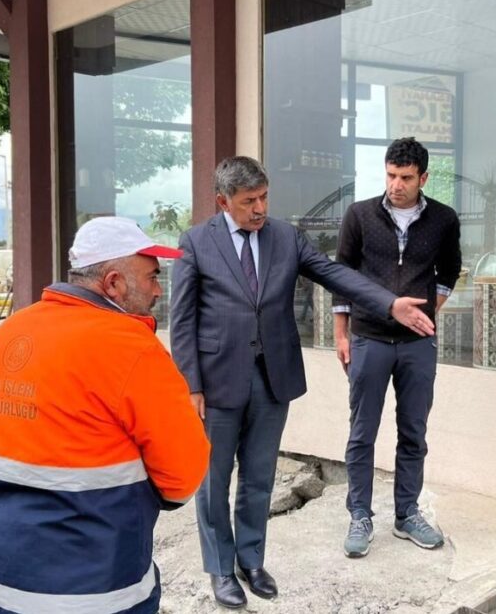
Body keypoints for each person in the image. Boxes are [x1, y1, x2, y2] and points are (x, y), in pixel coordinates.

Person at [170, 156, 435, 609]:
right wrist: (190, 385)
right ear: (222, 202)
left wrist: (389, 304)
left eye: (264, 198)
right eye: (248, 201)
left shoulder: (285, 237)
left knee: (259, 477)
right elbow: (182, 321)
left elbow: (337, 274)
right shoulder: (196, 243)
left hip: (272, 378)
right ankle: (219, 569)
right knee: (213, 482)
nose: (259, 209)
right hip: (215, 383)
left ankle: (251, 560)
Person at [0, 217, 210, 614]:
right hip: (94, 591)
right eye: (151, 277)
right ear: (113, 282)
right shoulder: (130, 348)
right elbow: (183, 476)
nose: (157, 290)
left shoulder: (12, 331)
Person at [334, 137, 461, 559]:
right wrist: (341, 333)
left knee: (414, 432)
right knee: (362, 432)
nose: (396, 185)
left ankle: (407, 514)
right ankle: (359, 515)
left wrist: (430, 310)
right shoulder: (359, 215)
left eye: (406, 177)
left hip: (417, 346)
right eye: (391, 175)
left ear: (423, 178)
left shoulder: (444, 219)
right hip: (368, 338)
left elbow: (450, 269)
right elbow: (342, 275)